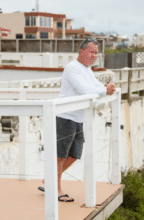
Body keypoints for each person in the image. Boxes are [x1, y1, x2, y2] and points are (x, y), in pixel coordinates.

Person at [38, 39, 116, 202]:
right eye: (91, 52)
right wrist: (104, 90)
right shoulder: (72, 68)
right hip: (65, 117)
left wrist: (104, 88)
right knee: (60, 155)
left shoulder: (86, 69)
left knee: (74, 154)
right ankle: (56, 189)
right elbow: (85, 90)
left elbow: (95, 86)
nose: (94, 56)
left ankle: (49, 179)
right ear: (82, 51)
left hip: (78, 118)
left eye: (96, 53)